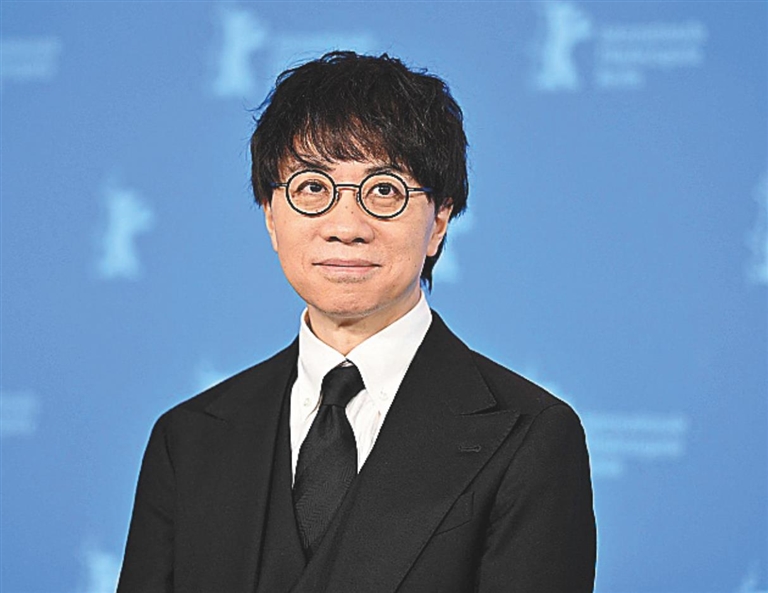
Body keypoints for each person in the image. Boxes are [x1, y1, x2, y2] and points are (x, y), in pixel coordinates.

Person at [117, 51, 596, 593]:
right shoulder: (188, 438)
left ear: (440, 219)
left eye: (385, 189)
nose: (346, 226)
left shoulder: (530, 437)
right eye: (312, 188)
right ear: (270, 215)